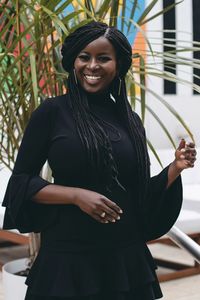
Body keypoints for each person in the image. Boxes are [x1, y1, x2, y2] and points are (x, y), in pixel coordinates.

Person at [2, 21, 197, 300]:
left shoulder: (130, 121)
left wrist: (176, 168)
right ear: (73, 62)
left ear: (118, 65)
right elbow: (21, 183)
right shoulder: (52, 113)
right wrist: (76, 196)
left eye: (103, 58)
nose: (92, 66)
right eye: (84, 57)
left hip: (125, 260)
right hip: (69, 260)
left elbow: (139, 193)